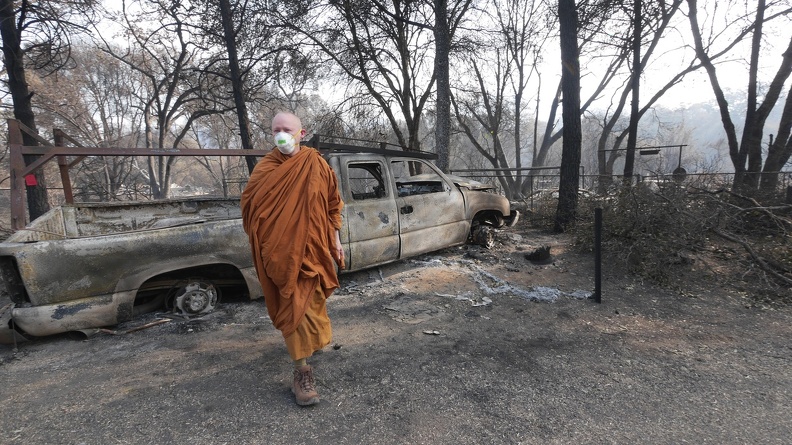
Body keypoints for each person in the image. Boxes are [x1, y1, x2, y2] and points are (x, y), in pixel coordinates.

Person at [241, 111, 345, 406]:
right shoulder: (264, 170)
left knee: (312, 304)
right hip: (281, 254)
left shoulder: (316, 164)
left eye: (287, 129)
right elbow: (249, 212)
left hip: (315, 250)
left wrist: (337, 241)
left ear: (302, 133)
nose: (281, 134)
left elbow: (333, 205)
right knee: (293, 306)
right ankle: (301, 373)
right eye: (276, 130)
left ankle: (309, 345)